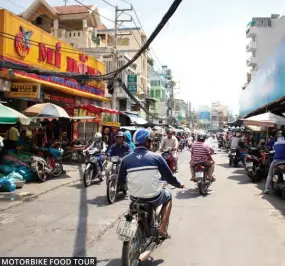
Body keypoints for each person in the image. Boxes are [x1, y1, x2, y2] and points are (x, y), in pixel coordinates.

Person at [118, 128, 184, 239]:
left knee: (132, 206)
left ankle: (128, 230)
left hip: (135, 197)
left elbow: (120, 181)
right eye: (150, 141)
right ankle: (163, 228)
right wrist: (178, 184)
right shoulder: (157, 157)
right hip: (153, 197)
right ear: (148, 142)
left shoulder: (125, 159)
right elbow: (169, 177)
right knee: (168, 196)